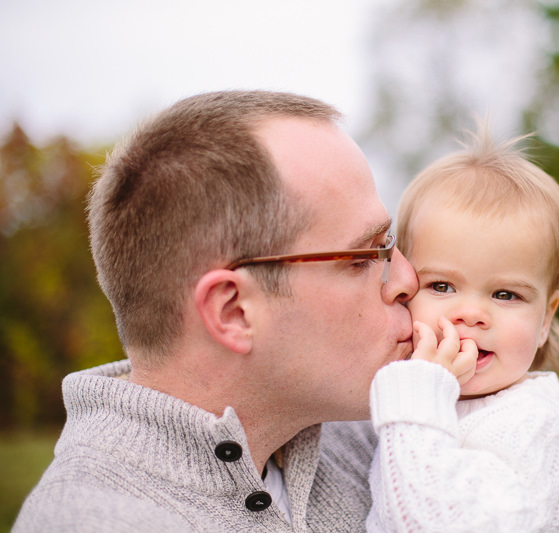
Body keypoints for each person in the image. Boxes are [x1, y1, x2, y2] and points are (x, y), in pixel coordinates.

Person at [13, 90, 419, 532]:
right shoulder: (94, 523)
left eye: (391, 244)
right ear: (234, 312)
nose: (407, 279)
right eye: (364, 256)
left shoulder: (398, 439)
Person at [366, 124, 559, 532]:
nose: (472, 315)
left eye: (506, 295)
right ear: (404, 290)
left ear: (545, 319)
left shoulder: (534, 427)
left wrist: (419, 394)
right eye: (442, 286)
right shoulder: (417, 404)